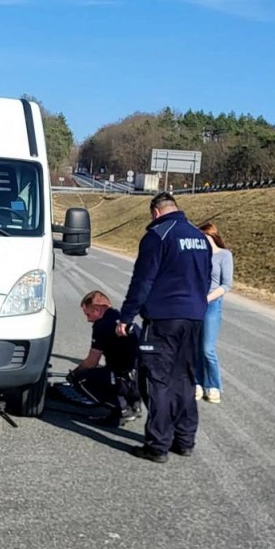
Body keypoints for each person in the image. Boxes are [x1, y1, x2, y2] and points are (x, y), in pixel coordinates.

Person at [116, 192, 211, 463]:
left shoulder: (157, 235)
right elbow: (205, 279)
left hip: (163, 319)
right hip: (193, 318)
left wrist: (126, 317)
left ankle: (157, 444)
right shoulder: (199, 237)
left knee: (156, 381)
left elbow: (142, 281)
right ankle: (184, 440)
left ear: (155, 212)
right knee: (184, 378)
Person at [68, 290, 142, 425]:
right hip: (141, 379)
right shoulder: (123, 319)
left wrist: (75, 373)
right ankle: (134, 405)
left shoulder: (102, 325)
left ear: (97, 309)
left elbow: (91, 362)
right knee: (113, 370)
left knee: (80, 379)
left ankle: (122, 410)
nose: (88, 319)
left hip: (124, 379)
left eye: (88, 314)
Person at [195, 222, 234, 404]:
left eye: (204, 237)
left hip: (211, 304)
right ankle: (197, 382)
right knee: (194, 345)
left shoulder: (224, 255)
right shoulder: (197, 256)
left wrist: (208, 298)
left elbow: (226, 285)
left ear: (211, 236)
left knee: (207, 348)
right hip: (194, 304)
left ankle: (214, 385)